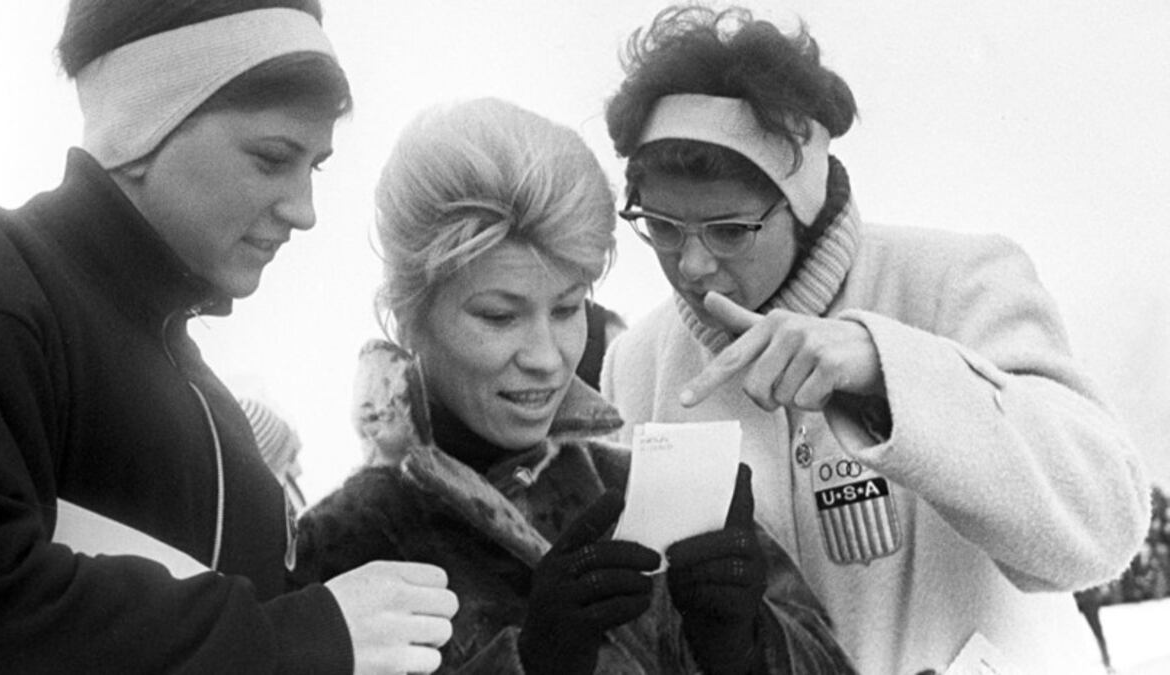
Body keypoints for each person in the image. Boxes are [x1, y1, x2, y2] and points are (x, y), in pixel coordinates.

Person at [598, 5, 1151, 675]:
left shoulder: (958, 282)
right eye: (661, 226)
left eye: (730, 231)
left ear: (803, 207)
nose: (691, 266)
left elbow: (1106, 529)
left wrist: (888, 372)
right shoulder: (636, 364)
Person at [0, 2, 456, 673]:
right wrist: (300, 639)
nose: (305, 211)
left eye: (313, 167)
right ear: (142, 124)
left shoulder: (218, 411)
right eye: (272, 158)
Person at [291, 97, 856, 674]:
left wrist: (749, 646)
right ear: (411, 319)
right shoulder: (345, 541)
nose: (546, 357)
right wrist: (530, 665)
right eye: (498, 316)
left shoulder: (643, 489)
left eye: (566, 308)